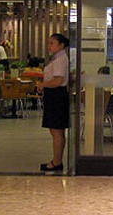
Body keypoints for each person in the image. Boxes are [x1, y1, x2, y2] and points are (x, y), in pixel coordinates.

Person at [36, 33, 70, 172]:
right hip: (53, 95)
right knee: (55, 130)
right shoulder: (57, 58)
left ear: (61, 45)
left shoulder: (60, 59)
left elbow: (58, 81)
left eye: (52, 43)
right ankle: (56, 160)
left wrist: (43, 84)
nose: (49, 46)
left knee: (57, 131)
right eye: (48, 43)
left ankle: (57, 162)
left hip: (57, 96)